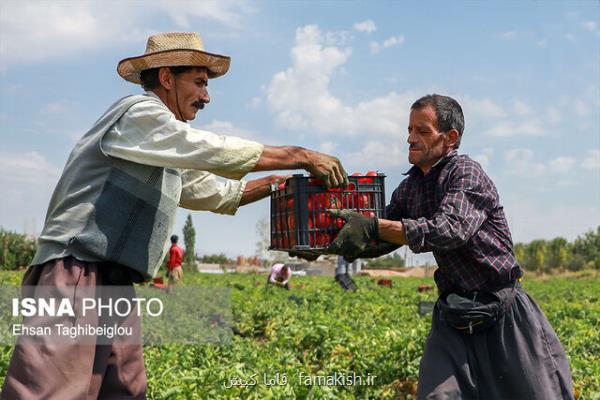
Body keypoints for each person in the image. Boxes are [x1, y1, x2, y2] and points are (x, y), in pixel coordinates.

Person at [1, 32, 348, 399]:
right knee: (51, 391)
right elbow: (207, 149)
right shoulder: (140, 115)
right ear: (166, 78)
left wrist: (277, 183)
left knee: (123, 389)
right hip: (76, 271)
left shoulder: (163, 147)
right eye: (199, 83)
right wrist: (300, 154)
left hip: (113, 280)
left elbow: (213, 191)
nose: (206, 96)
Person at [327, 94, 574, 399]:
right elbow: (383, 232)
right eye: (409, 130)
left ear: (450, 138)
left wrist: (374, 227)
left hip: (502, 311)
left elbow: (451, 230)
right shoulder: (411, 186)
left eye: (422, 130)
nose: (410, 138)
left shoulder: (465, 174)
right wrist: (331, 243)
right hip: (453, 316)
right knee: (437, 396)